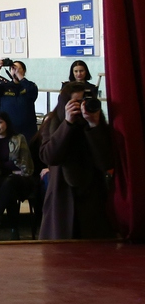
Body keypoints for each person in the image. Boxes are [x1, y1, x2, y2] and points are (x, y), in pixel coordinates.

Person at [39, 83, 115, 239]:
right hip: (61, 195)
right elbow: (49, 157)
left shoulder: (99, 124)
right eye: (77, 103)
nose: (82, 107)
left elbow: (106, 162)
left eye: (85, 101)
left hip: (93, 195)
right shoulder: (54, 122)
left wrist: (94, 125)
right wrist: (67, 124)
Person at [0, 111, 36, 239]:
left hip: (21, 179)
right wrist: (9, 166)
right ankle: (14, 229)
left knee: (11, 181)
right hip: (0, 180)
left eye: (0, 122)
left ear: (6, 123)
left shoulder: (19, 139)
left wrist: (0, 165)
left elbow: (26, 165)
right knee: (9, 188)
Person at [0, 60, 39, 141]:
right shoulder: (4, 86)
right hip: (9, 129)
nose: (15, 70)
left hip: (28, 130)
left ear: (24, 71)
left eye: (18, 68)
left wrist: (19, 75)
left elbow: (32, 92)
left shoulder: (30, 85)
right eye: (13, 69)